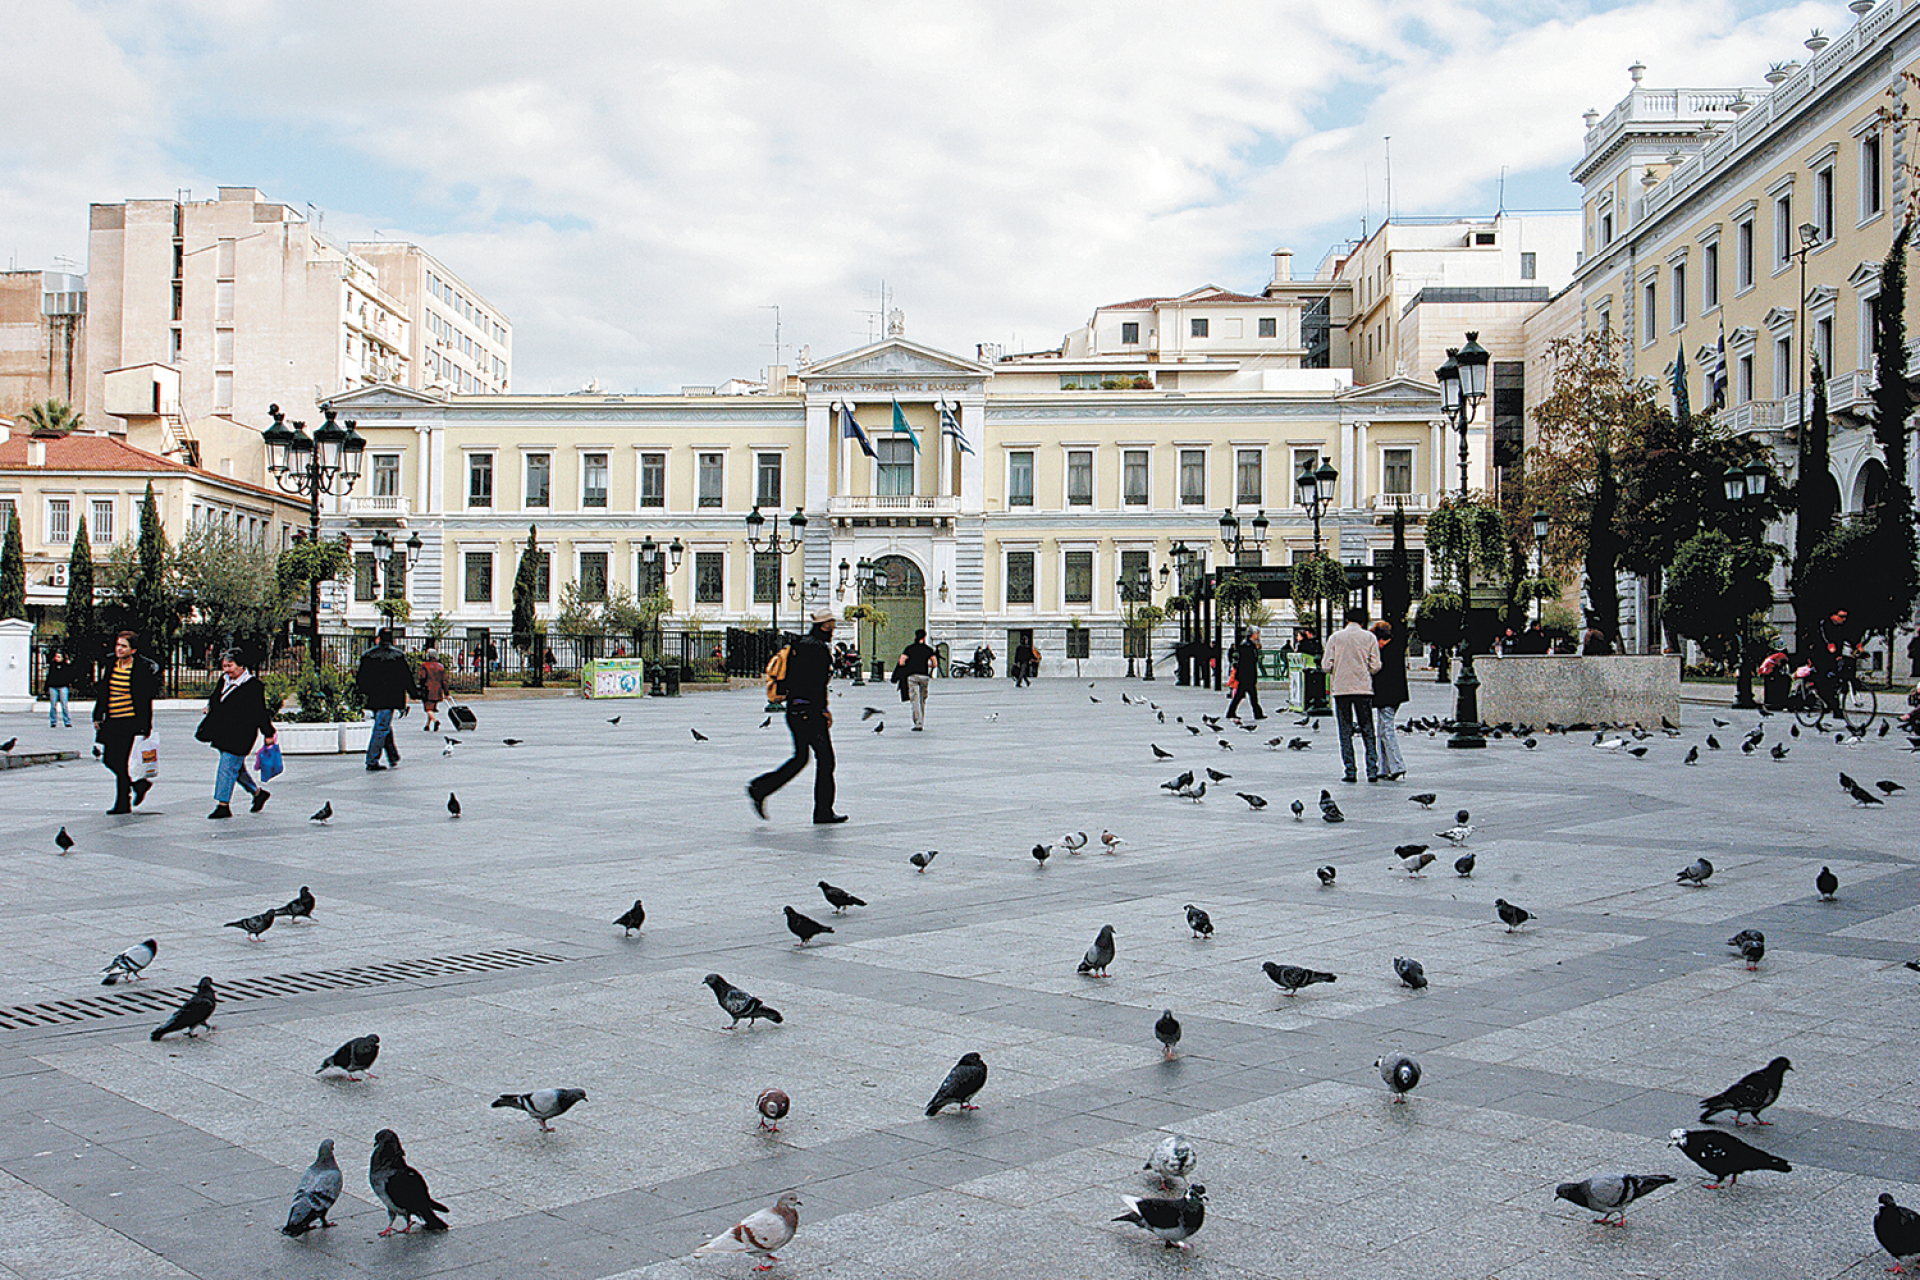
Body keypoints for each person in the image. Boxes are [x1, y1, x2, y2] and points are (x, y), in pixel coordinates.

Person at [748, 607, 844, 823]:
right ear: (825, 625)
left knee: (801, 758)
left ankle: (760, 788)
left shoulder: (799, 644)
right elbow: (815, 684)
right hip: (809, 711)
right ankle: (823, 812)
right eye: (832, 624)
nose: (834, 628)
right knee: (826, 760)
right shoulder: (818, 648)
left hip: (794, 710)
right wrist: (823, 710)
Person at [199, 649, 277, 819]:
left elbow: (260, 712)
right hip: (222, 732)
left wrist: (268, 733)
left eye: (230, 665)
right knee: (236, 768)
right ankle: (257, 793)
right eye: (224, 666)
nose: (226, 670)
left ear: (241, 665)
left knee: (227, 766)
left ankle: (223, 805)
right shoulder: (224, 680)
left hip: (242, 734)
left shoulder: (253, 686)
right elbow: (215, 698)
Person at [94, 631, 160, 814]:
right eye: (118, 645)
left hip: (130, 721)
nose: (119, 649)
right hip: (112, 720)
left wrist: (146, 725)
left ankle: (123, 803)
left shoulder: (141, 668)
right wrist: (98, 714)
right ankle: (139, 785)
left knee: (122, 761)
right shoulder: (111, 664)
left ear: (133, 650)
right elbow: (104, 691)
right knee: (109, 760)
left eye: (123, 646)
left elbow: (146, 698)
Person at [1322, 606, 1383, 783]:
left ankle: (1350, 770)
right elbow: (1376, 665)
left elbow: (1326, 665)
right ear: (1363, 621)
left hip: (1341, 689)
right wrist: (1365, 670)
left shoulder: (1335, 638)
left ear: (1346, 619)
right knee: (1367, 729)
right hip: (1363, 688)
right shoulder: (1369, 637)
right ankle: (1372, 769)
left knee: (1345, 730)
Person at [355, 627, 412, 771]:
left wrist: (361, 693)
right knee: (381, 727)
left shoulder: (368, 655)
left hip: (374, 697)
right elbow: (405, 678)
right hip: (391, 696)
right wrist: (413, 693)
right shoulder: (397, 655)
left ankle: (393, 756)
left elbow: (361, 678)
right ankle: (371, 760)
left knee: (383, 724)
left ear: (378, 638)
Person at [1369, 620, 1408, 781]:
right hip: (1394, 695)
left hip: (1387, 696)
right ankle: (1384, 768)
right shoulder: (1397, 648)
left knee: (1386, 729)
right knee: (1382, 730)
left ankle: (1397, 765)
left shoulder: (1386, 652)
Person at [900, 628, 937, 730]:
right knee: (922, 700)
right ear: (924, 637)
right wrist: (928, 666)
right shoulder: (928, 649)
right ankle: (921, 721)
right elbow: (935, 663)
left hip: (912, 676)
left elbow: (901, 662)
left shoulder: (909, 649)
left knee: (914, 699)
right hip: (924, 676)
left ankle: (918, 723)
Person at [1225, 628, 1265, 721]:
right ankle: (1257, 713)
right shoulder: (1248, 645)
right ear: (1253, 634)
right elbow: (1248, 661)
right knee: (1249, 695)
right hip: (1246, 675)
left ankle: (1232, 712)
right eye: (1257, 633)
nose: (1258, 635)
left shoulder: (1247, 644)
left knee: (1244, 695)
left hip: (1245, 675)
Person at [417, 649, 450, 732]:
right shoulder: (440, 666)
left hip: (428, 689)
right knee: (432, 708)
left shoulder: (425, 665)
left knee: (428, 708)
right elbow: (444, 681)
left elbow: (422, 677)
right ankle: (427, 725)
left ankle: (435, 721)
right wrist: (446, 692)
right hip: (437, 690)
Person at [45, 647, 73, 728]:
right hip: (53, 687)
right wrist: (47, 687)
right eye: (56, 656)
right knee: (53, 705)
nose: (57, 658)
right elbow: (49, 676)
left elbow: (69, 675)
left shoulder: (66, 666)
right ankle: (53, 721)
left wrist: (68, 684)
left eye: (58, 657)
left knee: (64, 705)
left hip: (63, 686)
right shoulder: (52, 666)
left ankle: (67, 721)